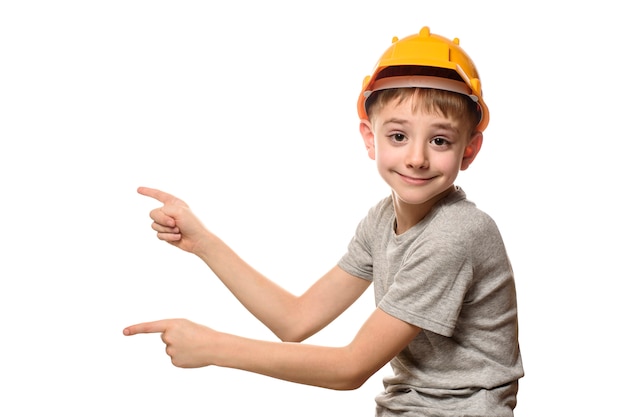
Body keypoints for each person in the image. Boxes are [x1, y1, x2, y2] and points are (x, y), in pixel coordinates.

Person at [124, 26, 524, 416]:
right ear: (370, 138)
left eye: (439, 140)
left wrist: (212, 348)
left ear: (469, 150)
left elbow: (350, 368)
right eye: (399, 136)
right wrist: (204, 244)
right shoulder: (382, 220)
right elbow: (295, 321)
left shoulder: (455, 234)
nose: (417, 157)